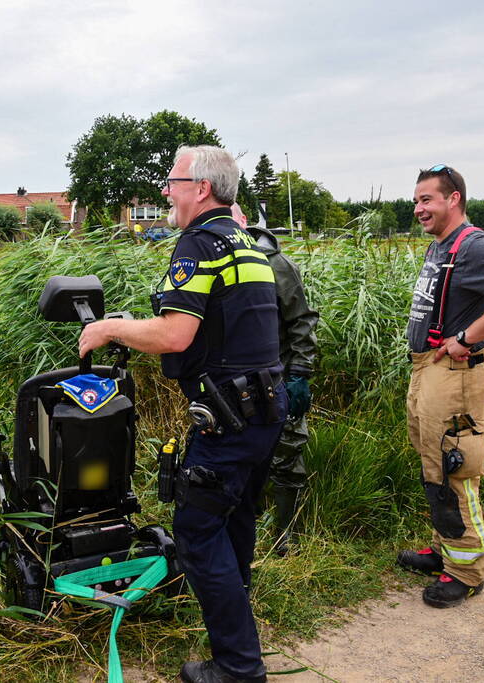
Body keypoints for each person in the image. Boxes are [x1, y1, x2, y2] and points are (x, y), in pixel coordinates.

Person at [79, 146, 285, 683]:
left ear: (201, 188)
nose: (165, 190)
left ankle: (239, 667)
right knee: (235, 522)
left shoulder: (199, 242)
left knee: (196, 529)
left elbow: (175, 334)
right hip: (264, 408)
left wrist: (110, 328)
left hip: (229, 418)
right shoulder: (244, 240)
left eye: (171, 181)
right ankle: (239, 636)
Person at [398, 164, 484, 608]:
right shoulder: (442, 246)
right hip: (427, 368)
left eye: (427, 199)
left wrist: (467, 337)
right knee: (432, 463)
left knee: (455, 465)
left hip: (454, 373)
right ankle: (445, 550)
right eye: (416, 200)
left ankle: (467, 571)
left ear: (453, 198)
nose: (418, 208)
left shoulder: (474, 246)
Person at [231, 203, 318, 556]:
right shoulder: (213, 261)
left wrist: (300, 374)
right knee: (237, 459)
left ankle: (286, 536)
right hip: (231, 383)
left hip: (277, 377)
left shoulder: (277, 265)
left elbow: (302, 321)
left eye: (232, 217)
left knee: (287, 454)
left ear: (244, 222)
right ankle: (242, 525)